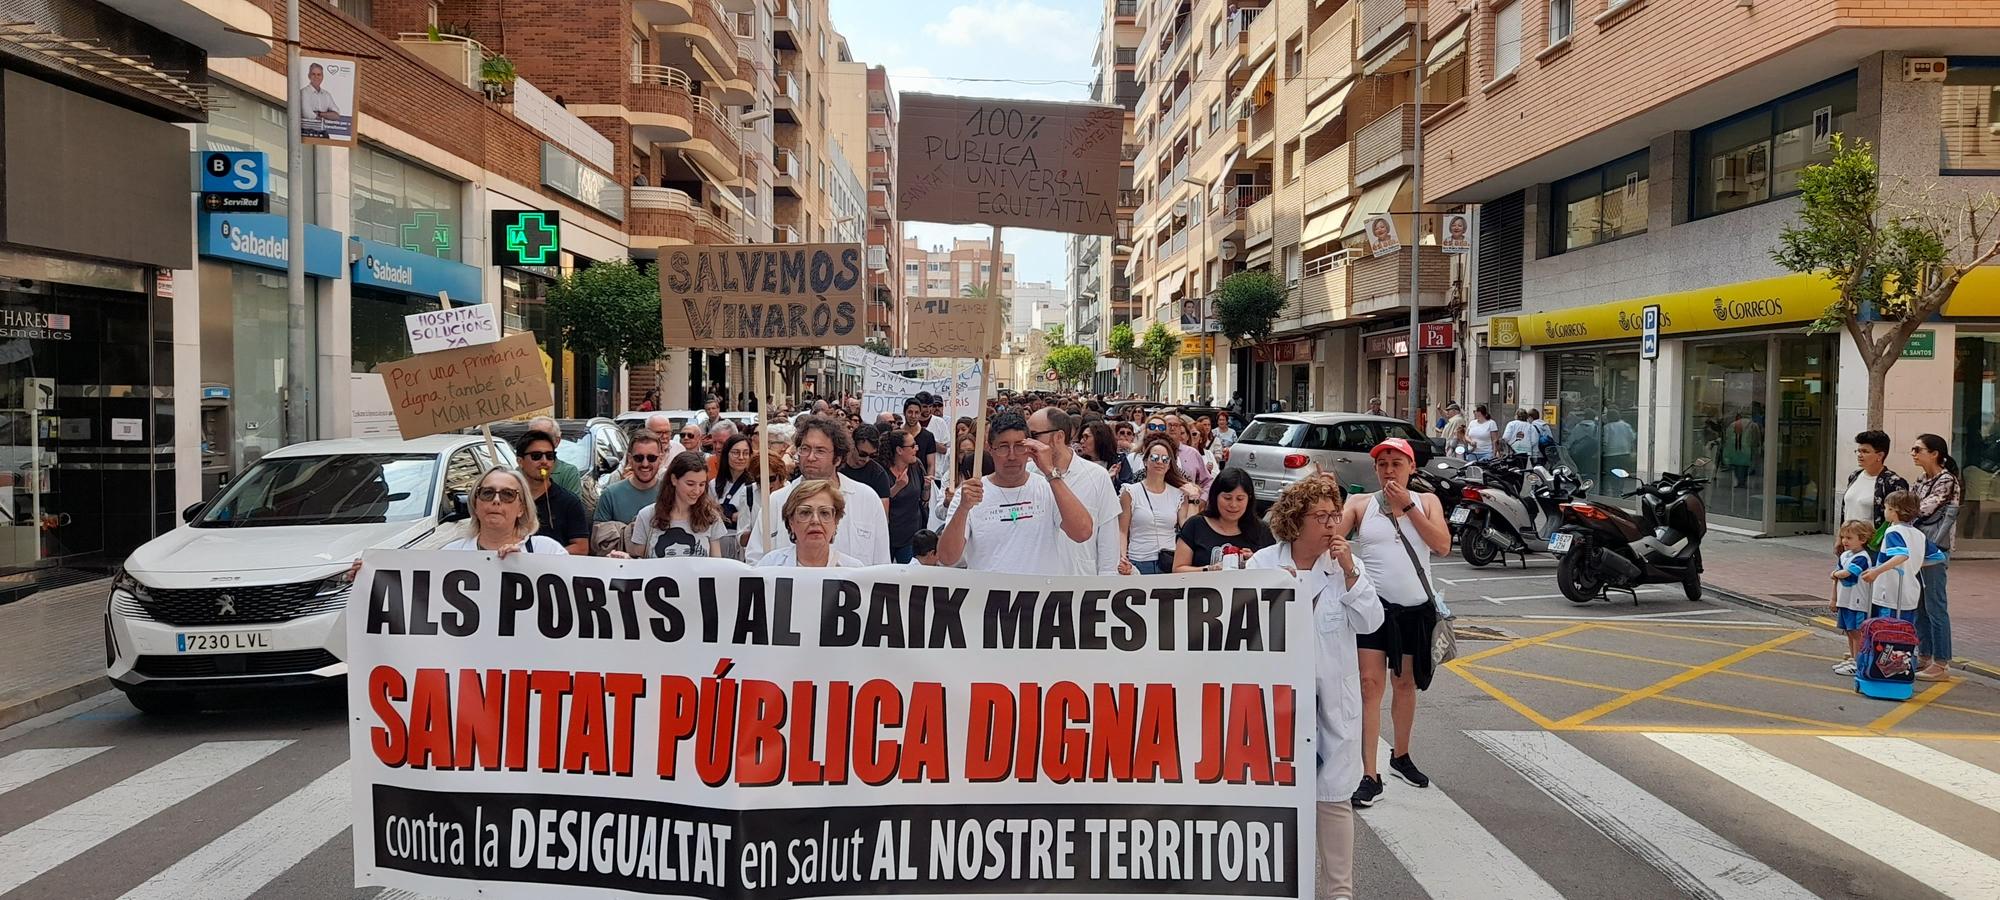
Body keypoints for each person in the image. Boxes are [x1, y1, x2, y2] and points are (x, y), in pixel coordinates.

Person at [1247, 475, 1379, 900]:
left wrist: (1350, 571)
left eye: (1335, 517)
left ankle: (1340, 892)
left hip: (1330, 705)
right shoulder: (1263, 564)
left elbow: (1371, 622)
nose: (1330, 525)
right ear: (1294, 520)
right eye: (1320, 517)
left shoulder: (1345, 568)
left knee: (1334, 799)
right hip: (1275, 705)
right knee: (1275, 803)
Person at [1343, 436, 1450, 807]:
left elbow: (1442, 545)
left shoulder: (1428, 502)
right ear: (1375, 469)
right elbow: (1331, 537)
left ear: (1411, 468)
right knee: (1370, 686)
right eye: (1382, 464)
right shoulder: (1359, 505)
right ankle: (1368, 774)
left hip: (1415, 610)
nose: (1389, 470)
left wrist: (1409, 508)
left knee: (1405, 684)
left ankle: (1401, 755)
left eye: (1396, 464)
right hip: (1374, 610)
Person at [938, 412, 1095, 575]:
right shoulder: (969, 494)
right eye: (1003, 447)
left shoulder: (1048, 487)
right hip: (989, 597)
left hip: (1040, 597)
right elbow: (947, 558)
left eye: (1019, 447)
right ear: (990, 449)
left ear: (1030, 448)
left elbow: (1082, 533)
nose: (1012, 456)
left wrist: (1050, 472)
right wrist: (963, 509)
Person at [746, 416, 891, 566]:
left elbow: (881, 565)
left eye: (820, 451)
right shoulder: (777, 501)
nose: (810, 457)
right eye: (805, 449)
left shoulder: (867, 499)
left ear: (838, 458)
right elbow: (755, 561)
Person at [1030, 407, 1121, 575]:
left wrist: (1105, 587)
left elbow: (1108, 542)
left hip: (1080, 586)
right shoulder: (1027, 475)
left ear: (1058, 437)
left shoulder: (1097, 476)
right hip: (1036, 586)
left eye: (1034, 435)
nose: (1028, 442)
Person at [1910, 433, 1961, 681]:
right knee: (1919, 605)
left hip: (1936, 550)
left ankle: (1941, 663)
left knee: (1935, 606)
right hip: (1919, 546)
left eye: (1918, 449)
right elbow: (1910, 503)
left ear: (1935, 454)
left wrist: (1906, 510)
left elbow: (1920, 508)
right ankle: (1924, 655)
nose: (1913, 453)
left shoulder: (1946, 480)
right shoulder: (1921, 478)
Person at [443, 468, 571, 556]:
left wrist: (526, 566)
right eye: (487, 493)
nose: (496, 500)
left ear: (521, 508)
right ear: (475, 504)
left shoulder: (548, 551)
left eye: (508, 494)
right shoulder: (449, 554)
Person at [1119, 435, 1199, 575]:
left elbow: (1188, 529)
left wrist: (1193, 499)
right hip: (1139, 562)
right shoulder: (1130, 492)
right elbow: (1122, 531)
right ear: (1145, 461)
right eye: (1154, 458)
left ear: (1169, 465)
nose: (1159, 462)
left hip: (1168, 561)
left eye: (1165, 459)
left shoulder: (1177, 494)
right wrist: (1122, 558)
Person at [627, 452, 727, 559]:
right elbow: (637, 562)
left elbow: (716, 563)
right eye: (690, 484)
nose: (697, 491)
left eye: (702, 484)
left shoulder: (711, 517)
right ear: (674, 479)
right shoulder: (647, 515)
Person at [1173, 468, 1275, 572]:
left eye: (1240, 499)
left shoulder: (1262, 531)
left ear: (1249, 499)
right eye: (1227, 498)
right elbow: (1178, 569)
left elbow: (1274, 570)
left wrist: (1255, 562)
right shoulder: (1195, 525)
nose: (1233, 505)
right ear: (1215, 496)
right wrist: (1209, 569)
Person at [756, 479, 863, 567]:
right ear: (791, 522)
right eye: (805, 512)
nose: (815, 520)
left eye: (824, 513)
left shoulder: (854, 570)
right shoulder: (769, 565)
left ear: (835, 522)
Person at [515, 430, 589, 555]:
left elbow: (581, 548)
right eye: (536, 456)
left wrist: (544, 556)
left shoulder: (569, 502)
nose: (544, 461)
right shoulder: (509, 499)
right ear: (520, 461)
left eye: (550, 456)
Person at [1860, 490, 1927, 625]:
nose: (1884, 511)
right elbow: (1938, 556)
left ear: (1894, 510)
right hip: (1910, 593)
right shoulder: (1919, 534)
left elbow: (1901, 555)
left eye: (1886, 508)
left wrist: (1876, 571)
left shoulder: (1893, 531)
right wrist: (1913, 565)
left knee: (1886, 633)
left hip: (1890, 593)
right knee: (1903, 634)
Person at [1829, 519, 1875, 676]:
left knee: (1857, 632)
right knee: (1849, 631)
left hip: (1857, 602)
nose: (1844, 541)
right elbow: (1837, 578)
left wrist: (1835, 573)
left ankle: (1858, 661)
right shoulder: (1845, 555)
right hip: (1845, 600)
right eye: (1843, 537)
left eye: (1849, 538)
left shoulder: (1862, 557)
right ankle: (1853, 657)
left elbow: (1846, 573)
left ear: (1862, 539)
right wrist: (1834, 599)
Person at [1842, 430, 1910, 534]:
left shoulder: (1893, 482)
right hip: (1849, 540)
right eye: (1858, 451)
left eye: (1865, 452)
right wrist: (1840, 536)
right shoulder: (1855, 476)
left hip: (1873, 543)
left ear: (1880, 455)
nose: (1860, 455)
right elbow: (1845, 510)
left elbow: (1898, 519)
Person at [594, 433, 666, 528]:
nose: (645, 464)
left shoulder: (671, 493)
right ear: (630, 459)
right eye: (638, 458)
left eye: (651, 458)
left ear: (660, 459)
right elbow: (598, 537)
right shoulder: (610, 495)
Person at [879, 430, 930, 563]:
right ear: (899, 450)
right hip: (887, 536)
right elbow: (877, 503)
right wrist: (897, 487)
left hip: (910, 535)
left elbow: (924, 500)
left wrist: (926, 488)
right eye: (912, 446)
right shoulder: (881, 471)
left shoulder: (916, 465)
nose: (916, 449)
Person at [527, 416, 589, 497]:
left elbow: (572, 506)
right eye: (534, 437)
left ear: (557, 441)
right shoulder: (521, 471)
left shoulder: (568, 472)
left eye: (545, 438)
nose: (539, 442)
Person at [712, 433, 761, 534]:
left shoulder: (755, 487)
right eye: (736, 453)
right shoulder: (713, 484)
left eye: (746, 453)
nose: (741, 457)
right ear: (726, 454)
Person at [1159, 414, 1213, 496]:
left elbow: (1207, 481)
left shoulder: (1192, 453)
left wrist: (1202, 500)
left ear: (1180, 429)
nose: (1172, 428)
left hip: (1189, 505)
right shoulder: (1154, 453)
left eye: (1176, 425)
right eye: (1168, 425)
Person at [841, 424, 893, 499]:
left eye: (872, 455)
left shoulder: (878, 474)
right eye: (862, 454)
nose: (866, 459)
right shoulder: (837, 464)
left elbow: (883, 508)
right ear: (852, 444)